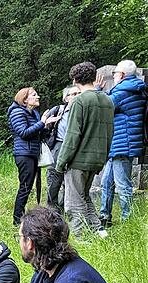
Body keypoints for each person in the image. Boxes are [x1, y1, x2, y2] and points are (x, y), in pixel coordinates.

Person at [55, 61, 114, 237]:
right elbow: (110, 132)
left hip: (78, 160)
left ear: (75, 80)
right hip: (97, 159)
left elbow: (72, 136)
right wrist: (103, 157)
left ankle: (81, 240)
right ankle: (99, 232)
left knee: (73, 203)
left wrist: (61, 162)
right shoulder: (107, 100)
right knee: (85, 197)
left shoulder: (79, 101)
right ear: (93, 77)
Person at [96, 60, 147, 225]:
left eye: (115, 73)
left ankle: (128, 221)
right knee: (107, 182)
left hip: (123, 144)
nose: (114, 76)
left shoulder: (125, 90)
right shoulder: (134, 88)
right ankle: (105, 216)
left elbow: (105, 106)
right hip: (120, 143)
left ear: (122, 74)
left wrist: (97, 91)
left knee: (122, 184)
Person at [8, 87, 58, 225]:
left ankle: (24, 218)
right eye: (34, 95)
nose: (38, 97)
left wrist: (47, 126)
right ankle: (17, 220)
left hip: (32, 153)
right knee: (25, 187)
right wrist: (42, 122)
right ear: (25, 100)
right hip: (24, 154)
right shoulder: (17, 112)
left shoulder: (33, 113)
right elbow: (23, 133)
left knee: (29, 186)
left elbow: (38, 134)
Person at [44, 86, 80, 214]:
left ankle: (64, 207)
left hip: (76, 148)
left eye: (79, 93)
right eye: (73, 93)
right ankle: (52, 207)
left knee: (71, 179)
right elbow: (43, 126)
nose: (77, 95)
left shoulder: (82, 111)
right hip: (59, 146)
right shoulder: (59, 110)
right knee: (54, 177)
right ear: (66, 98)